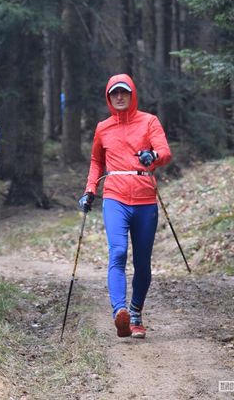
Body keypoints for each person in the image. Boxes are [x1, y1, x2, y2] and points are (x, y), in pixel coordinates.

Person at [78, 74, 172, 339]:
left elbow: (165, 152)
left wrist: (153, 156)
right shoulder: (103, 127)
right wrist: (89, 189)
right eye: (114, 93)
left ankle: (135, 313)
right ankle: (120, 312)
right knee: (118, 252)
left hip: (145, 200)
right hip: (115, 198)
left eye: (124, 92)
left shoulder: (149, 121)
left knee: (142, 262)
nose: (119, 97)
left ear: (132, 95)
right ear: (109, 97)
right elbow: (96, 162)